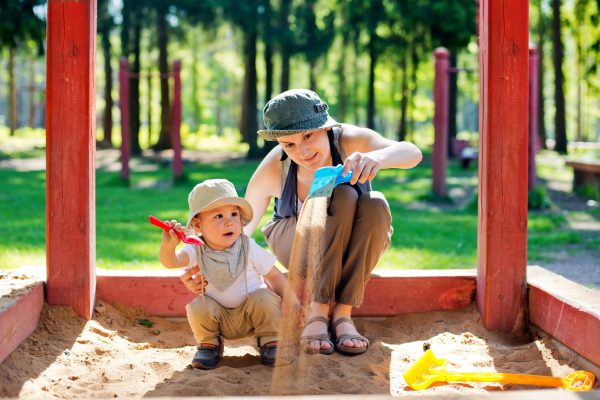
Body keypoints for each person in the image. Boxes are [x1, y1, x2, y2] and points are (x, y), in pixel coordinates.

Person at [182, 89, 422, 356]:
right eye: (289, 144)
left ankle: (342, 314)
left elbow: (412, 152)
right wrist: (205, 265)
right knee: (339, 194)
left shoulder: (348, 140)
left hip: (351, 246)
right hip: (297, 243)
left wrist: (377, 158)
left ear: (326, 127)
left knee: (374, 202)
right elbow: (239, 233)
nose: (303, 151)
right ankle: (317, 314)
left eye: (308, 136)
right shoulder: (276, 166)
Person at [159, 179, 297, 369]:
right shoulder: (196, 249)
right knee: (198, 307)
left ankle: (271, 341)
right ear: (198, 226)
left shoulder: (248, 246)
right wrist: (168, 247)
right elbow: (172, 262)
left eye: (234, 214)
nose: (229, 222)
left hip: (252, 315)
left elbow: (274, 276)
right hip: (218, 317)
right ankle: (209, 345)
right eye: (218, 216)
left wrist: (293, 303)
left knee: (264, 298)